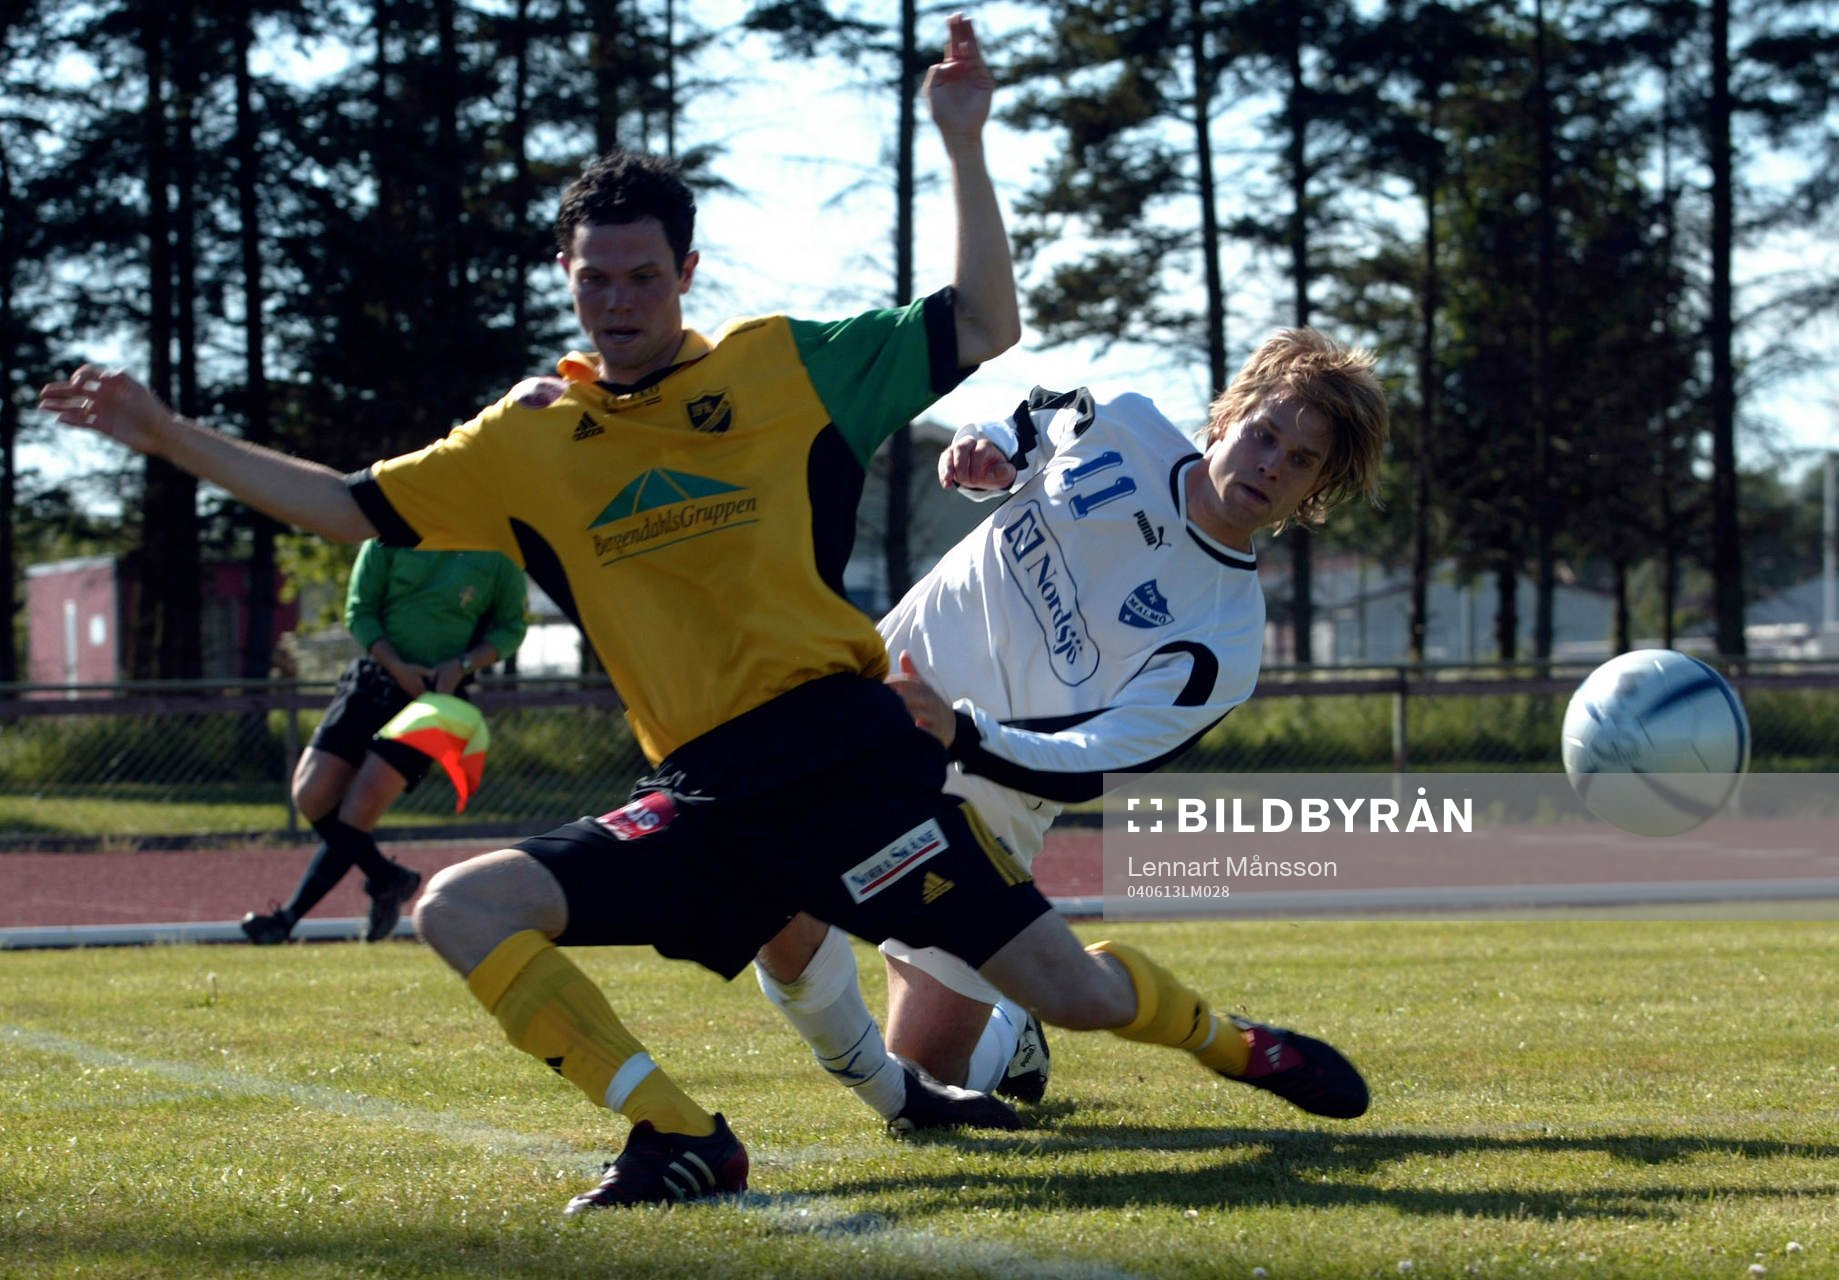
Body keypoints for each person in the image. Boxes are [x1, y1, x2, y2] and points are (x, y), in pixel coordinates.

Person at [41, 15, 1365, 1219]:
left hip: (856, 759)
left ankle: (1231, 1045)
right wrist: (164, 432)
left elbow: (984, 321)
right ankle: (678, 1138)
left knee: (1069, 997)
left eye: (640, 277)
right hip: (705, 794)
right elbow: (341, 503)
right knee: (459, 909)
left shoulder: (781, 369)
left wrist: (960, 143)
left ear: (685, 271)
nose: (615, 303)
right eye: (591, 279)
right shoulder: (529, 439)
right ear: (565, 276)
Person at [753, 328, 1391, 1129]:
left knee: (920, 1098)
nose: (1270, 463)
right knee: (765, 898)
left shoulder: (1222, 639)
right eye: (1265, 433)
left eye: (1301, 460)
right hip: (870, 700)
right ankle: (941, 1027)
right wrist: (980, 450)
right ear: (1228, 417)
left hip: (988, 801)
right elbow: (1016, 432)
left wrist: (964, 736)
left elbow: (1091, 764)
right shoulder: (1118, 423)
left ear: (1318, 489)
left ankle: (1011, 1032)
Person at [240, 540, 528, 946]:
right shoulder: (386, 538)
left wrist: (462, 665)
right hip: (375, 681)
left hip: (434, 699)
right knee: (311, 794)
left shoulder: (496, 552)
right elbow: (359, 611)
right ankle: (386, 877)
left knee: (363, 802)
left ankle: (285, 920)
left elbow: (512, 628)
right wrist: (396, 665)